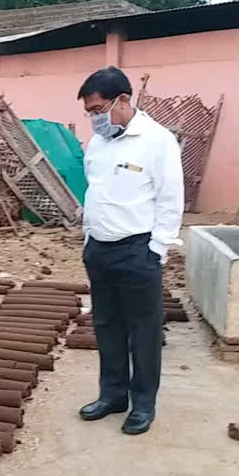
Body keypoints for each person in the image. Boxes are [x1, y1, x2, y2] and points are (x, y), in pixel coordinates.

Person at [77, 67, 184, 435]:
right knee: (106, 325)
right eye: (89, 112)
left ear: (123, 99)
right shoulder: (99, 143)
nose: (94, 117)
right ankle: (112, 395)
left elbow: (171, 199)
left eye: (98, 109)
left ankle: (143, 405)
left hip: (137, 250)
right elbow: (95, 192)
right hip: (100, 249)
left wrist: (156, 250)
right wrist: (89, 238)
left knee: (143, 330)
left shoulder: (157, 140)